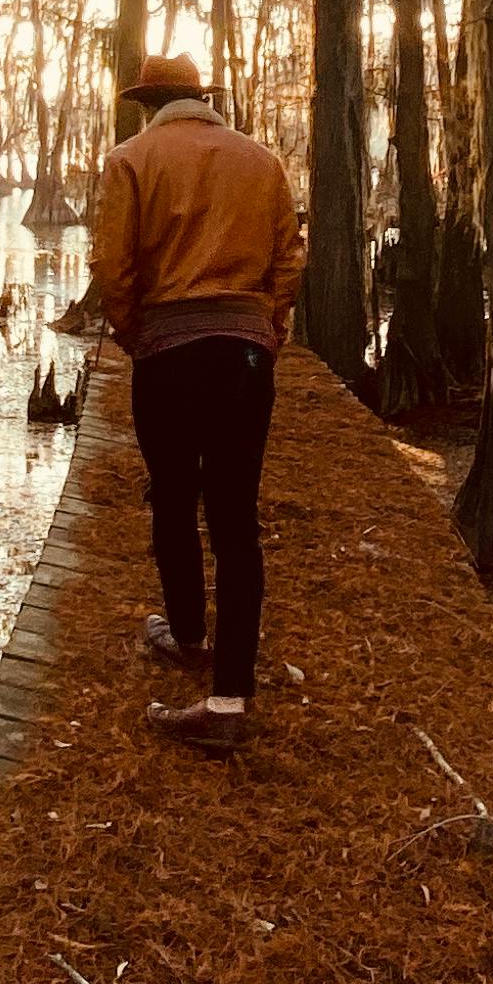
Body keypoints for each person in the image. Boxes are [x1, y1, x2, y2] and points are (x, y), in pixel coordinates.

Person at [86, 48, 303, 753]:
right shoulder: (262, 161)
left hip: (168, 355)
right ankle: (229, 698)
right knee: (236, 520)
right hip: (244, 355)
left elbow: (113, 268)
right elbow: (288, 257)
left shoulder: (130, 161)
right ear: (202, 98)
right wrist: (268, 331)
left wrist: (135, 335)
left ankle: (185, 636)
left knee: (174, 498)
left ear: (148, 103)